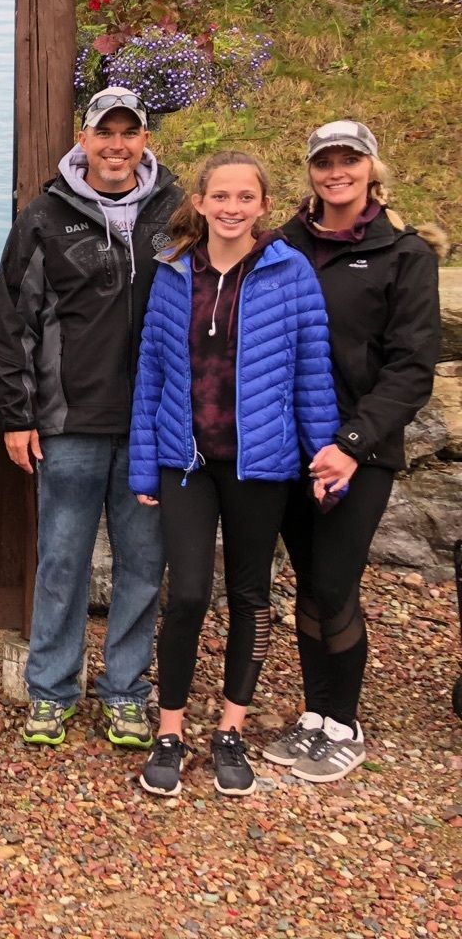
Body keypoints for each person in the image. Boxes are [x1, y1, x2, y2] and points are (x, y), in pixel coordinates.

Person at [129, 150, 338, 798]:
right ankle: (169, 731)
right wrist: (143, 461)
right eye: (220, 196)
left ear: (263, 205)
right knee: (188, 594)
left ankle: (230, 732)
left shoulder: (290, 271)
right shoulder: (169, 274)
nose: (231, 208)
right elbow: (151, 375)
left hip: (262, 465)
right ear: (199, 201)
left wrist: (326, 455)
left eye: (245, 197)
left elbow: (312, 372)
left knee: (250, 597)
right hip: (184, 462)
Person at [0, 87, 183, 749]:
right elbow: (11, 323)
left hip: (152, 426)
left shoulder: (179, 213)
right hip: (67, 424)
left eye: (130, 132)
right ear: (85, 138)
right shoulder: (44, 218)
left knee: (140, 565)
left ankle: (126, 691)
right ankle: (52, 689)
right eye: (106, 132)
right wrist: (18, 412)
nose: (117, 145)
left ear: (145, 140)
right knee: (62, 563)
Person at [264, 121, 440, 783]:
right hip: (288, 446)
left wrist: (352, 444)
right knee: (308, 579)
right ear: (310, 170)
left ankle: (345, 722)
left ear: (371, 167)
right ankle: (315, 713)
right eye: (324, 161)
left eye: (349, 160)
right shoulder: (283, 243)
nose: (336, 171)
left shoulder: (405, 254)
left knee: (336, 581)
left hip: (357, 450)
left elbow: (411, 368)